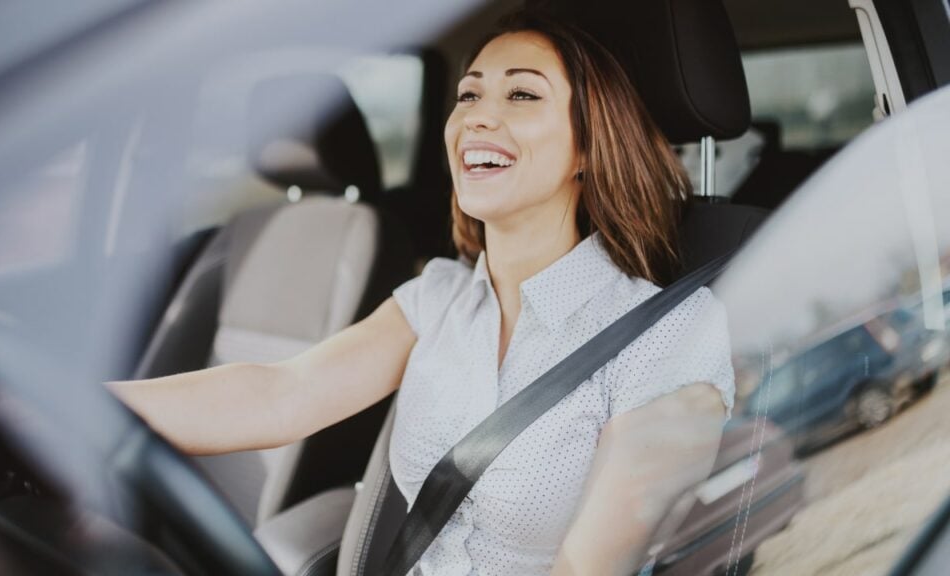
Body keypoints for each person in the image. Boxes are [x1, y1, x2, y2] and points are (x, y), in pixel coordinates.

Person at [111, 11, 734, 576]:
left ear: (588, 146)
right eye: (469, 94)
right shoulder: (437, 298)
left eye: (521, 94)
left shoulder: (670, 335)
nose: (477, 117)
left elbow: (590, 567)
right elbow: (280, 394)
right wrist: (77, 415)